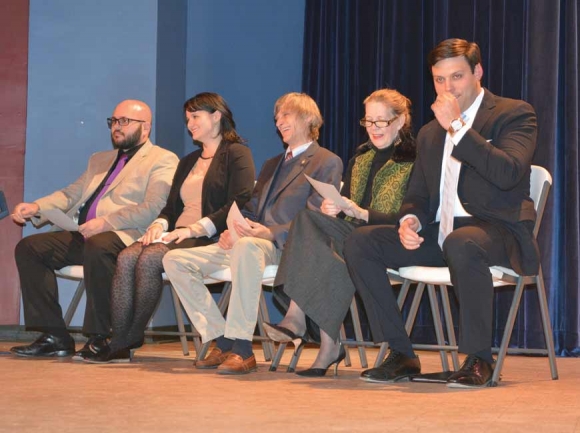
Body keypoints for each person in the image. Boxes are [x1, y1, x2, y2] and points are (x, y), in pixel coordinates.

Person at [344, 38, 538, 388]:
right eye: (439, 79)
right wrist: (410, 219)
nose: (447, 87)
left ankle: (479, 359)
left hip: (497, 230)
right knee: (361, 242)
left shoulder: (513, 113)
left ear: (477, 72)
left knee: (463, 243)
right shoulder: (431, 132)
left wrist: (460, 128)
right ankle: (401, 352)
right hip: (444, 232)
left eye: (457, 77)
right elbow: (418, 194)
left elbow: (508, 172)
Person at [162, 92, 343, 375]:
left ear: (308, 119)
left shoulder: (325, 161)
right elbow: (251, 207)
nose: (279, 122)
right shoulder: (273, 163)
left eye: (287, 115)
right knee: (175, 261)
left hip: (288, 247)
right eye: (277, 117)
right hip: (251, 243)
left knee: (247, 247)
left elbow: (316, 219)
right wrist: (234, 230)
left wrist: (269, 233)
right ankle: (220, 338)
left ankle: (242, 348)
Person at [81, 93, 256, 363]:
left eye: (196, 117)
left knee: (150, 259)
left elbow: (240, 200)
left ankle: (126, 340)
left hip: (207, 237)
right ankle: (120, 338)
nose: (190, 124)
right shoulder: (187, 161)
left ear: (216, 116)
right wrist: (158, 224)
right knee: (127, 256)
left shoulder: (236, 154)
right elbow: (171, 208)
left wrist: (194, 229)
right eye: (187, 119)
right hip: (175, 234)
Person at [264, 88, 416, 377]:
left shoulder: (414, 160)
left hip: (392, 238)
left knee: (329, 256)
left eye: (381, 121)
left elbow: (412, 215)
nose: (373, 128)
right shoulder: (361, 158)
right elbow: (351, 209)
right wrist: (338, 209)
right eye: (368, 121)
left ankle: (325, 341)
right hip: (355, 235)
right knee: (307, 219)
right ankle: (299, 318)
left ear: (400, 121)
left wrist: (360, 213)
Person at [10, 100, 179, 358]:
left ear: (145, 127)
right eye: (113, 121)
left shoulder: (162, 160)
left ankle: (104, 335)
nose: (116, 127)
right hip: (87, 234)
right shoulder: (99, 160)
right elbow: (70, 195)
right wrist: (36, 206)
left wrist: (106, 222)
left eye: (124, 121)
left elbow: (154, 206)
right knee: (30, 248)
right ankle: (54, 335)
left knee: (99, 246)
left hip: (127, 236)